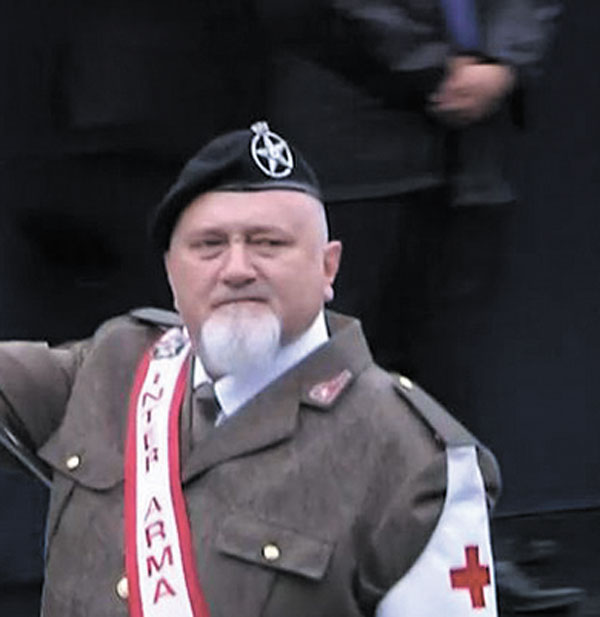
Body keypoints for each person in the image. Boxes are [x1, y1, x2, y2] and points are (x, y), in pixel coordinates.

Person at [0, 122, 501, 616]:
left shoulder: (415, 460)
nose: (237, 268)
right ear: (172, 274)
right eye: (209, 246)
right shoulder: (115, 363)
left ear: (328, 267)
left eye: (268, 243)